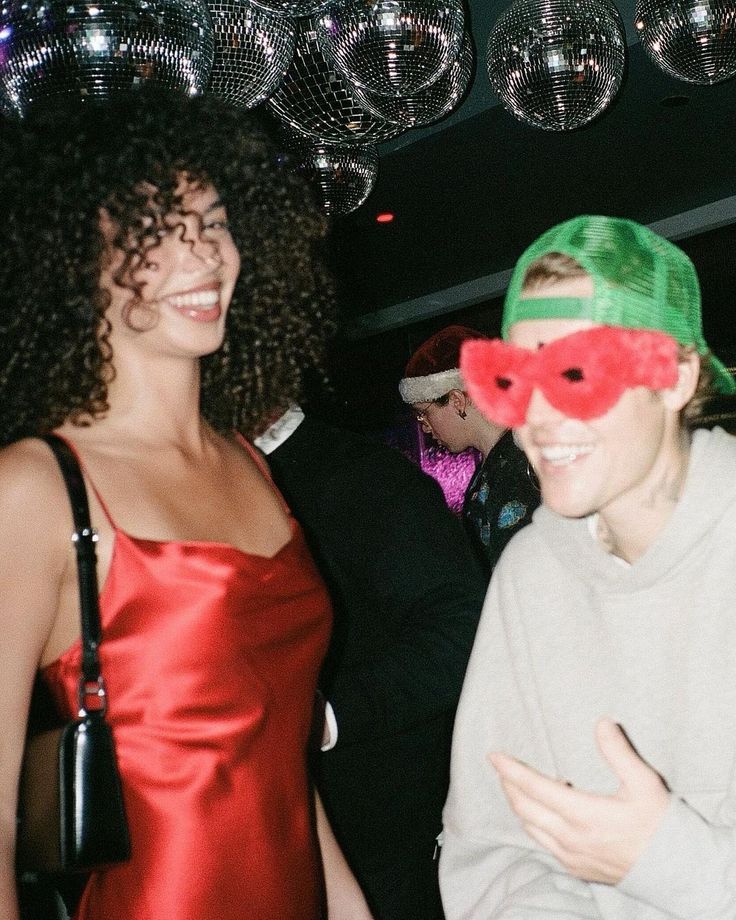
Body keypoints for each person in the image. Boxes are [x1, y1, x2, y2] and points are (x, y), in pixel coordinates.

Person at [0, 87, 373, 920]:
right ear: (72, 258)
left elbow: (274, 759)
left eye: (211, 220)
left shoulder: (248, 463)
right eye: (152, 231)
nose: (200, 253)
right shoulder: (35, 486)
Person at [440, 214, 736, 919]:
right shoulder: (532, 573)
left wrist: (670, 861)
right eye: (517, 377)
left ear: (674, 376)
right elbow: (490, 853)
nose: (537, 418)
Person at [255, 406, 487, 920]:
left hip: (382, 832)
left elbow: (462, 628)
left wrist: (328, 717)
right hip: (274, 824)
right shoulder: (218, 483)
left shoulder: (361, 476)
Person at [399, 324, 540, 575]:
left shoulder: (520, 463)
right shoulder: (493, 466)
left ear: (457, 400)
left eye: (424, 414)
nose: (425, 428)